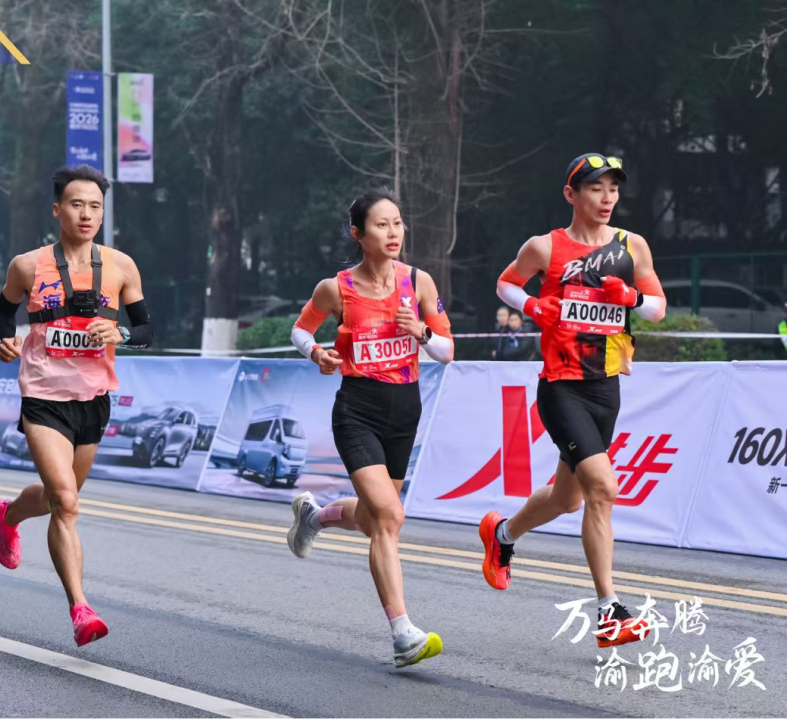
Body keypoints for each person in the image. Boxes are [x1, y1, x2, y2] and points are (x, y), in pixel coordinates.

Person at [480, 153, 667, 649]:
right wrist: (533, 305)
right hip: (561, 387)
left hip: (607, 387)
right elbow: (505, 283)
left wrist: (630, 299)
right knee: (602, 487)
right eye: (595, 188)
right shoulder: (545, 247)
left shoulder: (632, 245)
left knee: (569, 499)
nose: (607, 198)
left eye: (613, 189)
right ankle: (610, 612)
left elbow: (658, 308)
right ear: (571, 194)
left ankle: (502, 535)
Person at [0, 165, 154, 648]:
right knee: (68, 502)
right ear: (57, 209)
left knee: (60, 498)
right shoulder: (27, 265)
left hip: (93, 399)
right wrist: (7, 340)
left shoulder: (121, 266)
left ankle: (7, 515)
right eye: (77, 204)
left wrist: (119, 332)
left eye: (95, 206)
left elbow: (145, 330)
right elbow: (2, 310)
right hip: (42, 396)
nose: (86, 214)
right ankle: (81, 608)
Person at [284, 189, 454, 668]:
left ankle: (314, 518)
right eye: (381, 225)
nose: (393, 232)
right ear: (358, 234)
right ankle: (403, 634)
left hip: (405, 412)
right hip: (357, 412)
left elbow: (447, 351)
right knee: (390, 517)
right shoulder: (336, 288)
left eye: (397, 223)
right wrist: (317, 353)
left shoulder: (418, 282)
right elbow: (300, 329)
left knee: (375, 517)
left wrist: (421, 332)